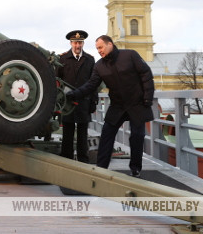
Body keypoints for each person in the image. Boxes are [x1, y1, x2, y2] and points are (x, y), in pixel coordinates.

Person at [66, 34, 155, 177]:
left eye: (101, 47)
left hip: (137, 103)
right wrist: (74, 94)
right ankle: (101, 168)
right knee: (107, 134)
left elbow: (146, 74)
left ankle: (135, 168)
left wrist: (147, 99)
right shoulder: (99, 66)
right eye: (97, 48)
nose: (99, 50)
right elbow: (90, 85)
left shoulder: (130, 55)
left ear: (110, 44)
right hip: (118, 105)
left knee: (137, 136)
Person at [56, 30, 96, 163]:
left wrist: (93, 102)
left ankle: (83, 160)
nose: (77, 46)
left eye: (80, 42)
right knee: (67, 131)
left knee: (83, 133)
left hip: (84, 101)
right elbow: (57, 80)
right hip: (67, 102)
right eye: (75, 43)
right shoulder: (62, 58)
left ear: (83, 43)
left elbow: (93, 82)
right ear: (71, 43)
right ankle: (66, 159)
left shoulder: (90, 60)